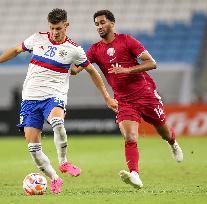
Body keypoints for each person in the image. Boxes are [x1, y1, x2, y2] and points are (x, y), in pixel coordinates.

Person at [0, 8, 118, 194]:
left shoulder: (74, 49)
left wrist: (106, 96)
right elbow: (16, 50)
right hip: (30, 99)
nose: (55, 32)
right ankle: (55, 178)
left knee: (57, 122)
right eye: (51, 28)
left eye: (58, 28)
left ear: (66, 25)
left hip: (54, 95)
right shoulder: (37, 38)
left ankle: (64, 163)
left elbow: (92, 71)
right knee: (33, 149)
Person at [71, 10, 183, 189]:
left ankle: (173, 142)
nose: (99, 27)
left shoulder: (127, 40)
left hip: (145, 94)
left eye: (102, 23)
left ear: (112, 23)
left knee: (164, 132)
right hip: (123, 100)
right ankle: (134, 174)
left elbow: (151, 63)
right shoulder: (94, 49)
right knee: (130, 137)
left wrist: (127, 70)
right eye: (97, 24)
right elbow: (76, 70)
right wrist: (68, 58)